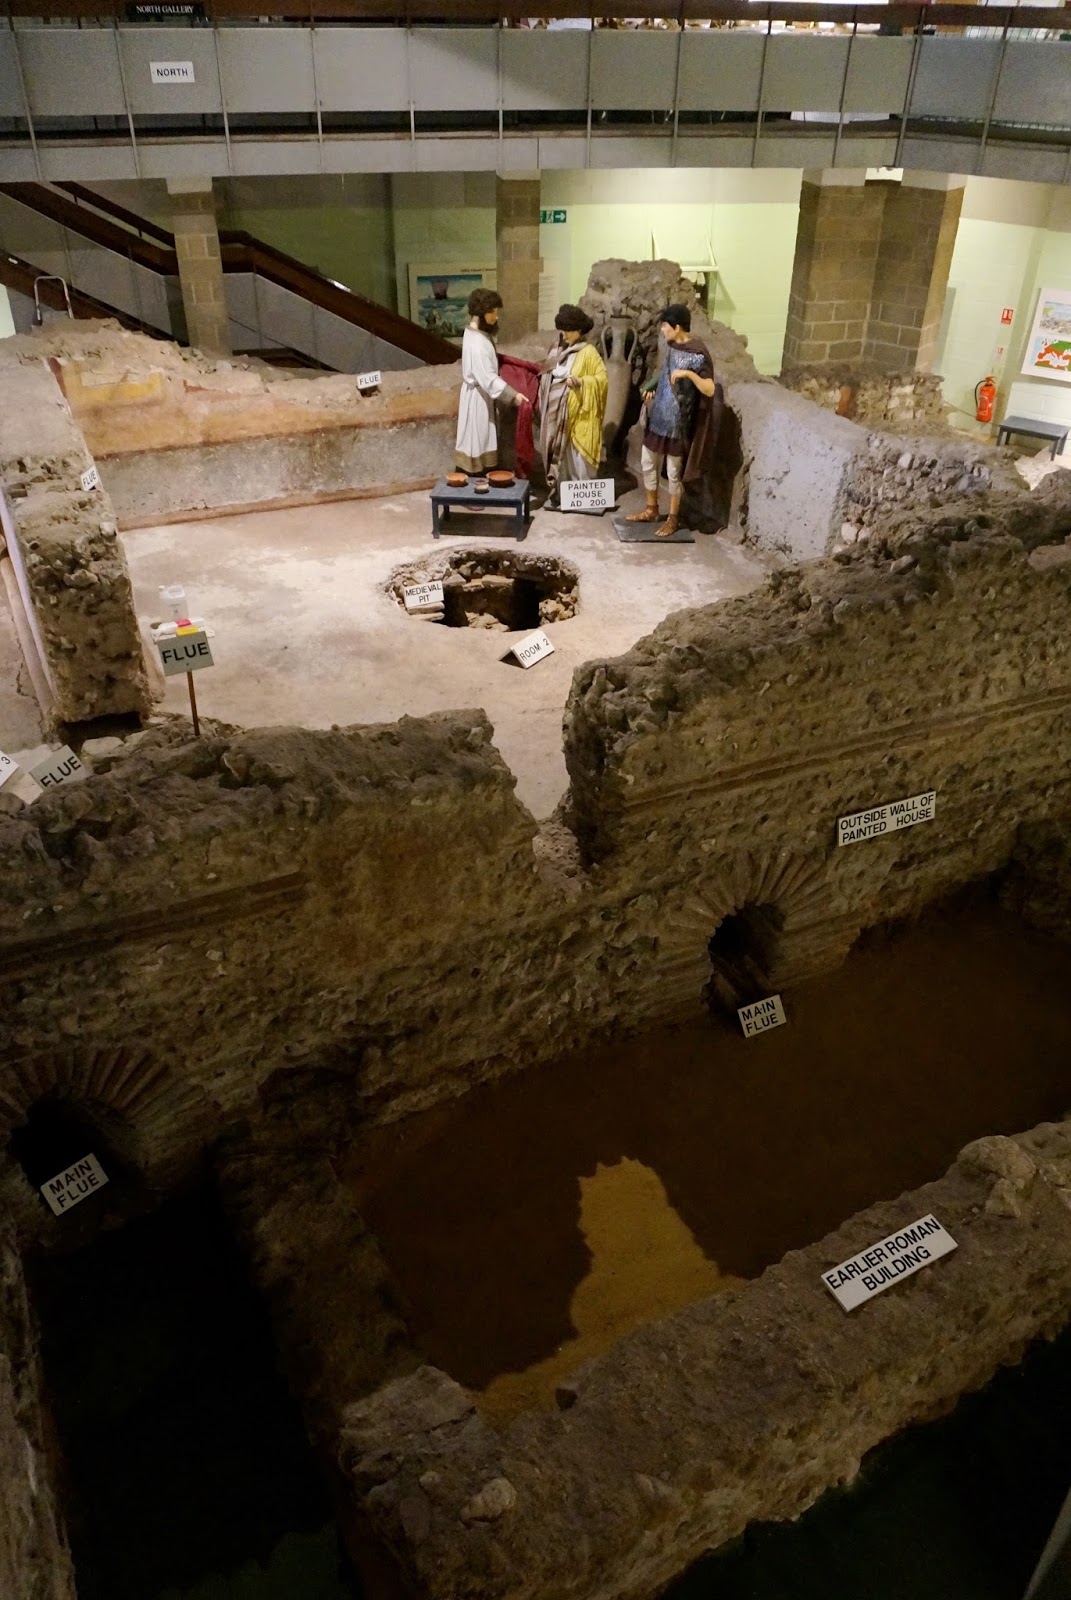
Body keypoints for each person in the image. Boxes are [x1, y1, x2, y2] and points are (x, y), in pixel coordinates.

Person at [626, 302, 723, 538]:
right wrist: (651, 387)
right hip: (659, 417)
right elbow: (664, 373)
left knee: (673, 473)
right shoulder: (672, 348)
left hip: (678, 423)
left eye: (665, 325)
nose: (662, 330)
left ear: (677, 327)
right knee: (648, 462)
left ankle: (672, 517)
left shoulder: (697, 355)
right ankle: (651, 509)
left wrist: (688, 374)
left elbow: (709, 389)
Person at [537, 304, 608, 506]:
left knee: (578, 458)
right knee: (562, 459)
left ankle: (581, 498)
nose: (565, 334)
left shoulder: (589, 352)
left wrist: (581, 382)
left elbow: (602, 381)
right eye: (563, 330)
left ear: (579, 330)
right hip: (558, 416)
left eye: (569, 330)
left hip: (578, 416)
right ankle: (562, 494)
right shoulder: (557, 348)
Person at [455, 288, 529, 474]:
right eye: (492, 312)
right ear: (482, 313)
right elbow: (487, 378)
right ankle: (474, 480)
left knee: (480, 439)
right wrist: (513, 395)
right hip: (478, 399)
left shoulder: (474, 334)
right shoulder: (477, 343)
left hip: (480, 395)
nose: (496, 317)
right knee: (477, 441)